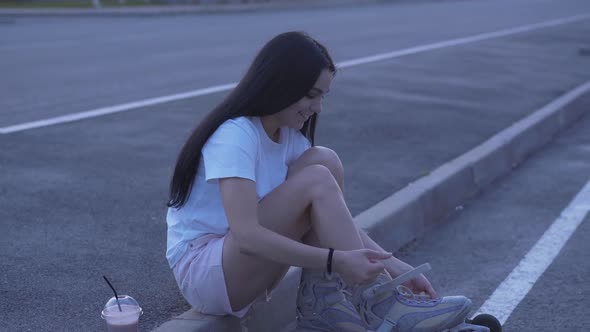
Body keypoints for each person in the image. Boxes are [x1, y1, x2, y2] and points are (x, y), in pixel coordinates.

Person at [166, 31, 473, 331]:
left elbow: (336, 219)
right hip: (206, 272)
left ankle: (325, 303)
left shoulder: (289, 139)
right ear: (281, 85)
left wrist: (394, 266)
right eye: (312, 95)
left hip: (240, 265)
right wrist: (334, 260)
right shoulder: (235, 135)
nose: (318, 108)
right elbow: (246, 235)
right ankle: (382, 305)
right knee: (317, 178)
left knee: (323, 161)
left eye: (323, 96)